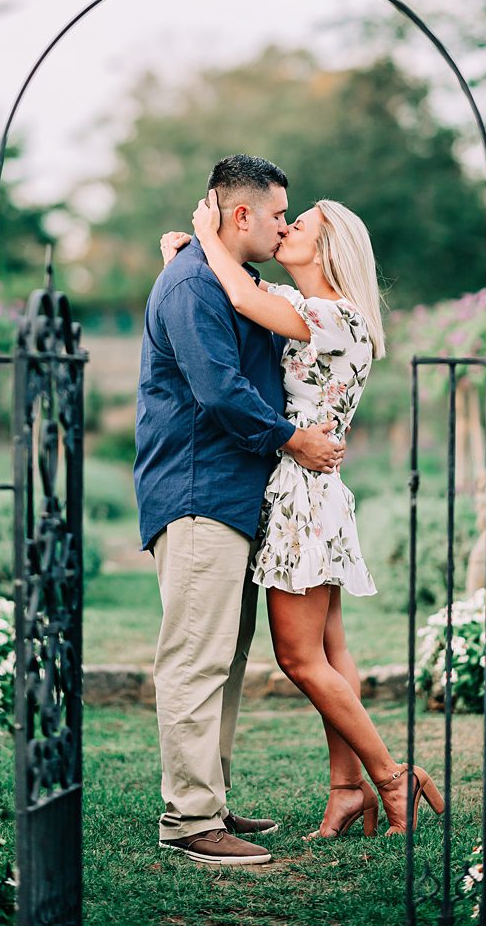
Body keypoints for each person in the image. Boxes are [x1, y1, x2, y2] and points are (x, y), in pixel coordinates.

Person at [160, 188, 445, 841]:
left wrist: (205, 237)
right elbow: (233, 296)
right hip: (314, 492)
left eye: (299, 225)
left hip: (303, 496)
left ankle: (392, 778)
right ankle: (347, 790)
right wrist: (181, 259)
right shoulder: (305, 307)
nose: (284, 228)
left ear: (328, 249)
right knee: (330, 650)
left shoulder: (336, 317)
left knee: (297, 656)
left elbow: (240, 297)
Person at [134, 154, 346, 866]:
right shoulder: (193, 283)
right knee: (195, 659)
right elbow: (220, 390)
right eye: (279, 213)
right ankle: (190, 819)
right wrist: (294, 440)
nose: (285, 225)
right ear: (242, 213)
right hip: (198, 491)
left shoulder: (222, 277)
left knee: (223, 657)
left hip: (231, 494)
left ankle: (210, 801)